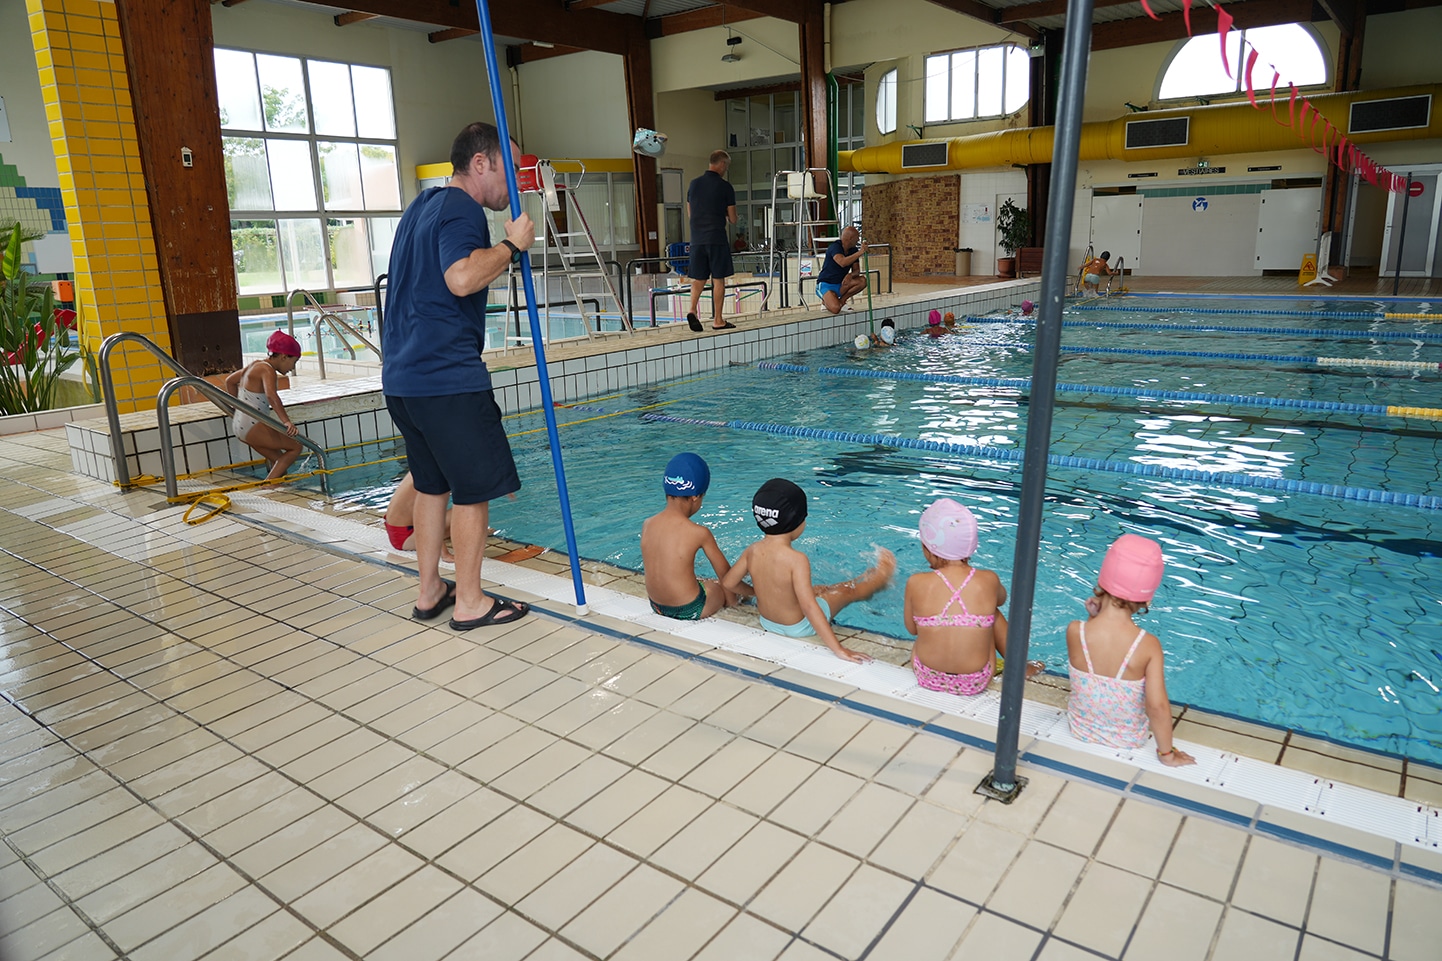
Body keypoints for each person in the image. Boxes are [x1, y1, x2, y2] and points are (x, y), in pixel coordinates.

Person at [382, 121, 535, 631]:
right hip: (447, 377)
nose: (515, 182)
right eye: (510, 169)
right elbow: (462, 277)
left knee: (431, 486)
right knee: (472, 491)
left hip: (403, 378)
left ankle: (430, 591)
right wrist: (512, 246)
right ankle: (469, 601)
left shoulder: (419, 208)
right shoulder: (463, 209)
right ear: (481, 164)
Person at [723, 478, 895, 663]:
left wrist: (755, 592)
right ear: (796, 521)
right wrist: (838, 649)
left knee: (819, 589)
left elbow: (729, 582)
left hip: (768, 622)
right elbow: (809, 607)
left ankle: (860, 579)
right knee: (846, 591)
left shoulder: (753, 550)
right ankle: (879, 580)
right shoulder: (796, 559)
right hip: (799, 626)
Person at [1066, 533, 1196, 766]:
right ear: (1147, 600)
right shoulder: (1148, 645)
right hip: (1128, 739)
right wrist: (1167, 754)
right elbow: (1156, 706)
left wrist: (1091, 617)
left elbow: (1091, 661)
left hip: (1080, 729)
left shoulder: (1076, 631)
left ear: (1102, 582)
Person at [903, 499, 1040, 695]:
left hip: (928, 675)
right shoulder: (988, 579)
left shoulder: (915, 582)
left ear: (928, 547)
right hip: (975, 680)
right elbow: (1002, 599)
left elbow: (911, 629)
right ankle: (1019, 665)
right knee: (990, 610)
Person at [640, 453, 749, 620]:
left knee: (703, 582)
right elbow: (726, 577)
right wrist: (743, 597)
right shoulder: (699, 533)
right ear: (695, 497)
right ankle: (737, 604)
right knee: (719, 587)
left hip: (657, 606)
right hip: (690, 608)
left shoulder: (648, 524)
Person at [224, 330, 303, 483]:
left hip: (240, 425)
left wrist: (237, 408)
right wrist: (286, 421)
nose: (292, 368)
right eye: (294, 362)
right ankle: (267, 488)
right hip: (253, 426)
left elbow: (229, 381)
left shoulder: (255, 365)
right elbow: (271, 396)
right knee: (296, 447)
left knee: (280, 462)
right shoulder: (267, 370)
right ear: (283, 356)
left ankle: (274, 489)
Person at [686, 150, 738, 332]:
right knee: (718, 279)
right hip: (716, 238)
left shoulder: (694, 184)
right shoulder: (725, 187)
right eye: (727, 166)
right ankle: (718, 320)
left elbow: (690, 212)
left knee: (699, 278)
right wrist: (722, 212)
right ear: (722, 164)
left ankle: (692, 309)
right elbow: (733, 219)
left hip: (697, 239)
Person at [384, 472, 454, 561]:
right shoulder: (436, 472)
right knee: (472, 509)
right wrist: (444, 554)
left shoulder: (423, 465)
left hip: (398, 530)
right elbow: (429, 516)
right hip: (407, 536)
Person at [818, 225, 869, 315]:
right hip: (826, 284)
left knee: (862, 281)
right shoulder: (835, 247)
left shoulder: (853, 250)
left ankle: (842, 301)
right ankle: (826, 302)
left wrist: (850, 275)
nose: (858, 241)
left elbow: (857, 270)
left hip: (841, 284)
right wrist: (860, 252)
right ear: (850, 238)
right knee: (835, 309)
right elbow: (842, 262)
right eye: (857, 238)